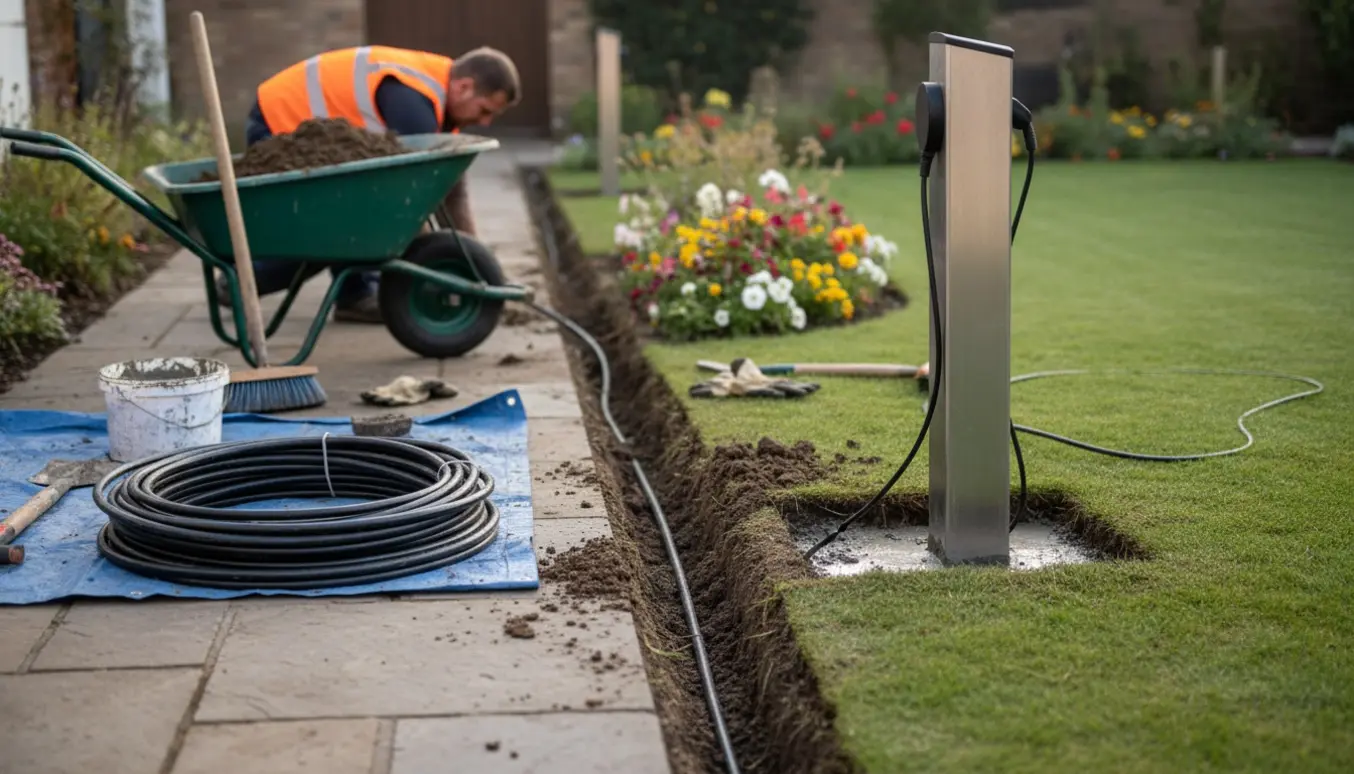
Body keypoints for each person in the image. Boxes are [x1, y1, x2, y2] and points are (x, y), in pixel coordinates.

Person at [215, 45, 522, 323]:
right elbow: (408, 205)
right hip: (282, 120)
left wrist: (477, 269)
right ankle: (243, 283)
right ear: (464, 87)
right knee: (330, 230)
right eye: (485, 110)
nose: (485, 123)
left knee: (353, 215)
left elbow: (453, 193)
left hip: (307, 129)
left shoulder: (436, 97)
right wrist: (439, 272)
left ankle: (355, 295)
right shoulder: (414, 99)